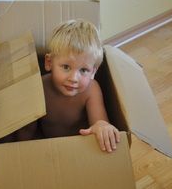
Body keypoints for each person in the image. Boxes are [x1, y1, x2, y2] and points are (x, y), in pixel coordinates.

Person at [17, 19, 120, 153]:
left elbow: (99, 122)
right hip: (47, 146)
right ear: (49, 62)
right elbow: (27, 128)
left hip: (80, 148)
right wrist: (20, 149)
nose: (73, 79)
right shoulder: (39, 87)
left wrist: (102, 126)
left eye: (83, 70)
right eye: (66, 67)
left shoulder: (91, 90)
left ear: (93, 71)